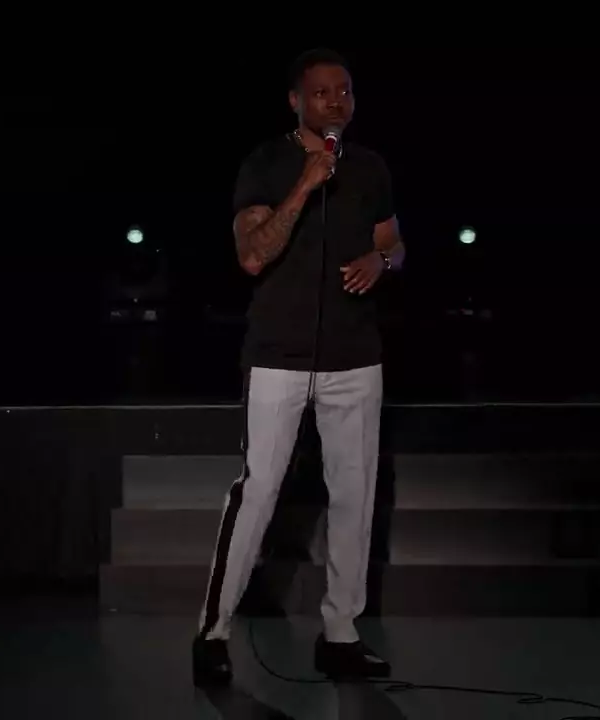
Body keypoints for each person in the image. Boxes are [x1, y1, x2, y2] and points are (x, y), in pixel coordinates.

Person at [193, 48, 406, 686]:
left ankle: (340, 635)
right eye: (321, 92)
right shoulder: (266, 163)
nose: (336, 101)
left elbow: (394, 244)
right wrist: (306, 184)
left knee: (354, 494)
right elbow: (252, 256)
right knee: (257, 490)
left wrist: (381, 262)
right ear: (295, 101)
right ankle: (213, 633)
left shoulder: (370, 167)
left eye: (345, 91)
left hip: (355, 357)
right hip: (278, 358)